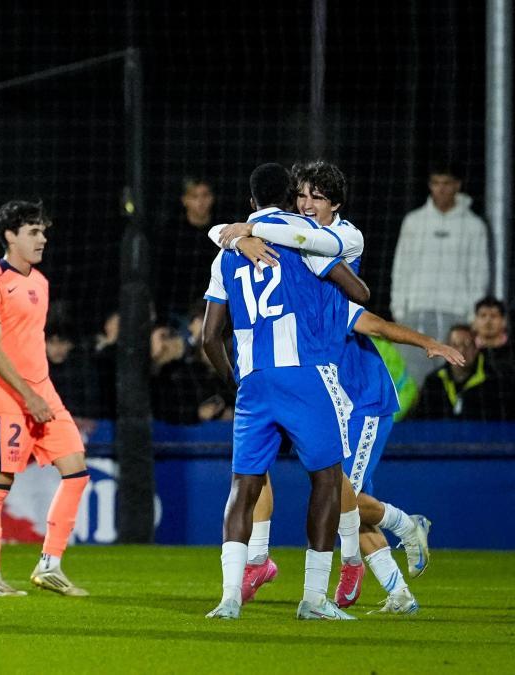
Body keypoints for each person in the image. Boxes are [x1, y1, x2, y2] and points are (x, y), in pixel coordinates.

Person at [210, 160, 460, 613]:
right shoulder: (293, 256)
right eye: (302, 195)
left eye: (317, 197)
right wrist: (238, 234)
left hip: (357, 392)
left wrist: (245, 229)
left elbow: (366, 311)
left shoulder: (339, 240)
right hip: (310, 383)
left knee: (343, 492)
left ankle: (397, 531)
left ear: (336, 205)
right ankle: (376, 583)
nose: (307, 204)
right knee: (306, 484)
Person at [201, 163, 373, 621]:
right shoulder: (305, 236)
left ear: (251, 200)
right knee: (327, 480)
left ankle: (229, 598)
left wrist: (238, 381)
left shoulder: (227, 253)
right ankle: (314, 598)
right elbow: (360, 293)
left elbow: (209, 337)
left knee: (244, 485)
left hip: (254, 381)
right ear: (292, 196)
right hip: (306, 373)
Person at [0, 200, 91, 598]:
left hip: (43, 392)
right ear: (10, 236)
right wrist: (28, 396)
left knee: (77, 472)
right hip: (7, 398)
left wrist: (40, 394)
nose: (42, 239)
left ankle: (49, 565)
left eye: (43, 231)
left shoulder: (40, 282)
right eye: (34, 232)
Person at [390, 163, 490, 384]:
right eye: (436, 183)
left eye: (446, 183)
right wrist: (399, 310)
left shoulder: (474, 226)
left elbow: (479, 272)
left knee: (454, 378)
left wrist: (471, 316)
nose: (441, 189)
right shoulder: (413, 222)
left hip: (457, 316)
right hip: (416, 314)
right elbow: (401, 267)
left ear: (457, 185)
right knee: (412, 381)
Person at [413, 324, 515, 420]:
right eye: (455, 345)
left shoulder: (494, 381)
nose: (461, 350)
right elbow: (420, 420)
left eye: (467, 345)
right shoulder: (433, 381)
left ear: (476, 349)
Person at [155, 177, 219, 321]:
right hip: (176, 310)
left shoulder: (223, 230)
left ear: (212, 198)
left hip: (213, 307)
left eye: (205, 195)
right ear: (185, 200)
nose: (201, 202)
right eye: (195, 196)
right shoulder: (171, 233)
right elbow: (162, 278)